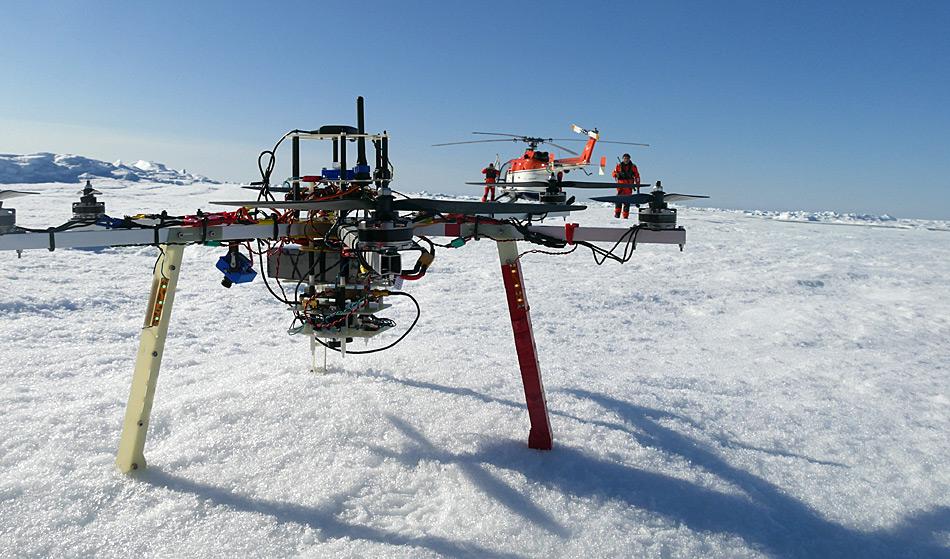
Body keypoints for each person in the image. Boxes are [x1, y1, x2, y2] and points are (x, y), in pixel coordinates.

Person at [611, 153, 640, 218]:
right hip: (620, 186)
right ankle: (617, 215)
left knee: (627, 202)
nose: (626, 160)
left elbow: (637, 176)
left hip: (628, 186)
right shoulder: (618, 166)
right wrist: (617, 175)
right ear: (623, 159)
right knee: (618, 201)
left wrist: (638, 184)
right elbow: (613, 173)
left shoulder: (633, 166)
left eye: (627, 158)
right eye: (625, 158)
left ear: (629, 159)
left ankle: (625, 216)